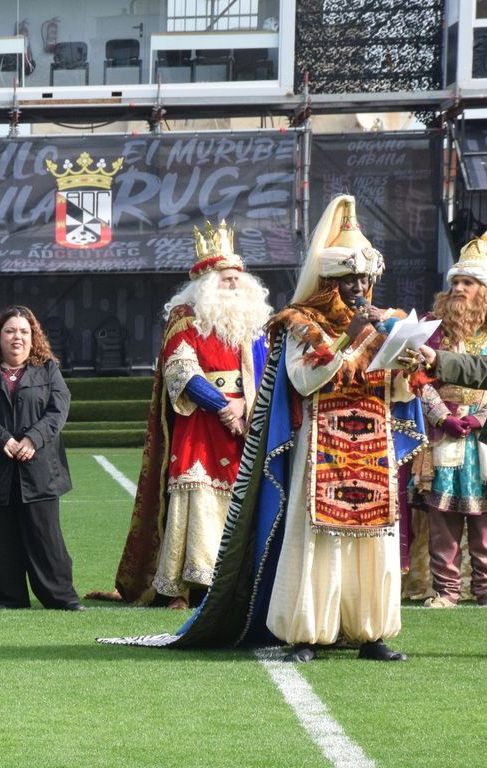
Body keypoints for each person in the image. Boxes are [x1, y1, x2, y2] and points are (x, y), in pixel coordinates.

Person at [108, 196, 428, 659]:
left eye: (365, 279)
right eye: (349, 280)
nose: (360, 288)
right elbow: (303, 379)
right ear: (330, 281)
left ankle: (369, 631)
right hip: (319, 447)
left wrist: (402, 362)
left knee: (372, 542)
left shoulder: (381, 322)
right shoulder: (300, 322)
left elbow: (398, 392)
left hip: (370, 449)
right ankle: (305, 631)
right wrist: (350, 338)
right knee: (315, 542)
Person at [113, 220, 271, 608]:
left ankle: (239, 584)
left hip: (249, 423)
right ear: (205, 282)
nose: (233, 284)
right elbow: (180, 370)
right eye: (224, 278)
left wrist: (247, 408)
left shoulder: (256, 324)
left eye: (237, 277)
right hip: (201, 423)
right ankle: (192, 586)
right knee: (197, 499)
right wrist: (223, 407)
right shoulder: (185, 316)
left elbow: (269, 371)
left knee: (244, 502)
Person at [0, 305, 82, 610]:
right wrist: (1, 437)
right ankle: (7, 599)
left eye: (23, 331)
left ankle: (61, 598)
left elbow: (59, 409)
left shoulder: (48, 369)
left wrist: (33, 438)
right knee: (0, 538)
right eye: (10, 331)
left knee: (47, 539)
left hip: (40, 469)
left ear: (33, 337)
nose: (17, 337)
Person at [410, 236, 487, 607]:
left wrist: (479, 416)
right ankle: (447, 591)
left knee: (485, 520)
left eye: (467, 283)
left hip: (484, 435)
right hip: (444, 433)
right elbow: (416, 378)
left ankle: (485, 590)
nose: (457, 289)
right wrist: (442, 415)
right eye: (454, 282)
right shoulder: (431, 326)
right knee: (443, 516)